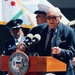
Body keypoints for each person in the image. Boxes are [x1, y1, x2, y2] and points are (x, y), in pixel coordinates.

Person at [29, 7, 75, 75]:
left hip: (62, 71)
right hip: (42, 70)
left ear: (60, 17)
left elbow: (71, 53)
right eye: (48, 17)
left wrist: (60, 51)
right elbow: (32, 48)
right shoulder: (39, 29)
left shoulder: (69, 31)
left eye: (54, 17)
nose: (51, 20)